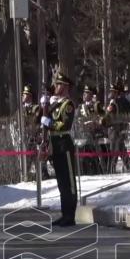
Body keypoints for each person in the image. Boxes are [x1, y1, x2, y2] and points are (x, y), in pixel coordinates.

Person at [40, 72, 78, 227]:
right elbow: (42, 120)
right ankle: (64, 214)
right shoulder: (55, 103)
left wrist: (49, 123)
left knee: (69, 182)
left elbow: (64, 125)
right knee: (61, 182)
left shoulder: (67, 104)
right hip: (55, 144)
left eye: (59, 84)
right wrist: (44, 106)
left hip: (64, 143)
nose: (56, 87)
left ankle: (70, 215)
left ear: (65, 87)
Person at [101, 81, 130, 172]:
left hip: (114, 130)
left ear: (116, 93)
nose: (110, 94)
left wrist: (102, 121)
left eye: (112, 92)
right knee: (122, 150)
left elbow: (107, 117)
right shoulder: (126, 102)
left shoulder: (113, 104)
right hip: (121, 129)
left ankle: (111, 170)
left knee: (113, 152)